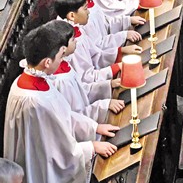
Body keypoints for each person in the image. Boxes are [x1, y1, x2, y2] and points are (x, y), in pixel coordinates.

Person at [4, 26, 118, 183]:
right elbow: (55, 152)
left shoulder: (34, 79)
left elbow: (63, 115)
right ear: (47, 62)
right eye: (60, 56)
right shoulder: (34, 103)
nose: (62, 60)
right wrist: (91, 147)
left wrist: (94, 127)